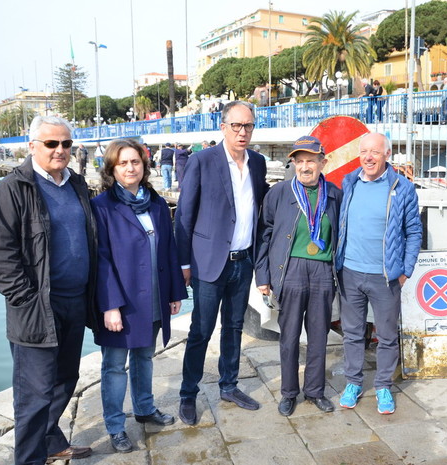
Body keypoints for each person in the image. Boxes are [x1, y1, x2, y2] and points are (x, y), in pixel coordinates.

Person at [0, 115, 97, 464]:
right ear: (32, 146)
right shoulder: (13, 189)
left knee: (66, 378)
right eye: (51, 143)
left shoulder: (76, 185)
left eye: (66, 143)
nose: (60, 150)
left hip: (75, 303)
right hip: (36, 310)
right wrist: (26, 300)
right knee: (33, 396)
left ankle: (49, 442)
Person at [91, 139, 188, 453]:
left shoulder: (157, 203)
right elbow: (101, 259)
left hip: (154, 296)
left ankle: (145, 408)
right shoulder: (102, 207)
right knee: (115, 366)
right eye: (123, 163)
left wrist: (175, 291)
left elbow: (168, 250)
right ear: (112, 169)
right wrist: (110, 306)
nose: (130, 168)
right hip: (122, 302)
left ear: (145, 166)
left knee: (145, 357)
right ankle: (116, 426)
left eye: (135, 162)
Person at [175, 101, 268, 425]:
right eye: (236, 126)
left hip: (243, 262)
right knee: (201, 330)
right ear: (223, 126)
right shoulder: (202, 161)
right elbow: (184, 217)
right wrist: (183, 264)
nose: (243, 132)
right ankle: (188, 394)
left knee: (234, 327)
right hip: (208, 264)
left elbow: (259, 209)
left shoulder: (258, 162)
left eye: (248, 126)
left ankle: (229, 385)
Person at [336, 132, 422, 415]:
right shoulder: (349, 183)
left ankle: (383, 385)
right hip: (350, 272)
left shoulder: (402, 187)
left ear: (387, 154)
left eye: (375, 152)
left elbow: (413, 231)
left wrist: (406, 270)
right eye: (364, 152)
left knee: (386, 335)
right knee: (352, 333)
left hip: (385, 277)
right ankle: (353, 382)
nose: (368, 157)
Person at [255, 136, 342, 417]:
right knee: (289, 336)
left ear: (322, 163)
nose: (305, 167)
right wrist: (262, 276)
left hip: (322, 271)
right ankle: (289, 393)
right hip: (289, 270)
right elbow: (264, 234)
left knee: (318, 335)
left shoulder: (334, 194)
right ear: (293, 163)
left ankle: (315, 391)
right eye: (299, 161)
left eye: (311, 161)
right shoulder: (279, 193)